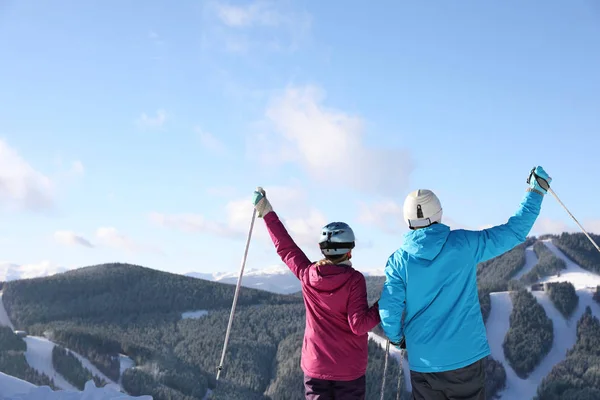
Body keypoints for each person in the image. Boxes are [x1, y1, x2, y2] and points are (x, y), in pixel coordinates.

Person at [378, 166, 552, 400]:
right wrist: (535, 191)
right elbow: (513, 232)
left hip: (424, 362)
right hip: (465, 359)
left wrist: (397, 338)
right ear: (439, 213)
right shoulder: (463, 245)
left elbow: (389, 308)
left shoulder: (398, 261)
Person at [252, 187, 381, 400]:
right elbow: (359, 325)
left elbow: (285, 248)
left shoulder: (307, 274)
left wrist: (266, 211)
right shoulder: (354, 280)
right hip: (349, 371)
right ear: (349, 250)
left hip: (315, 367)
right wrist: (384, 302)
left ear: (322, 249)